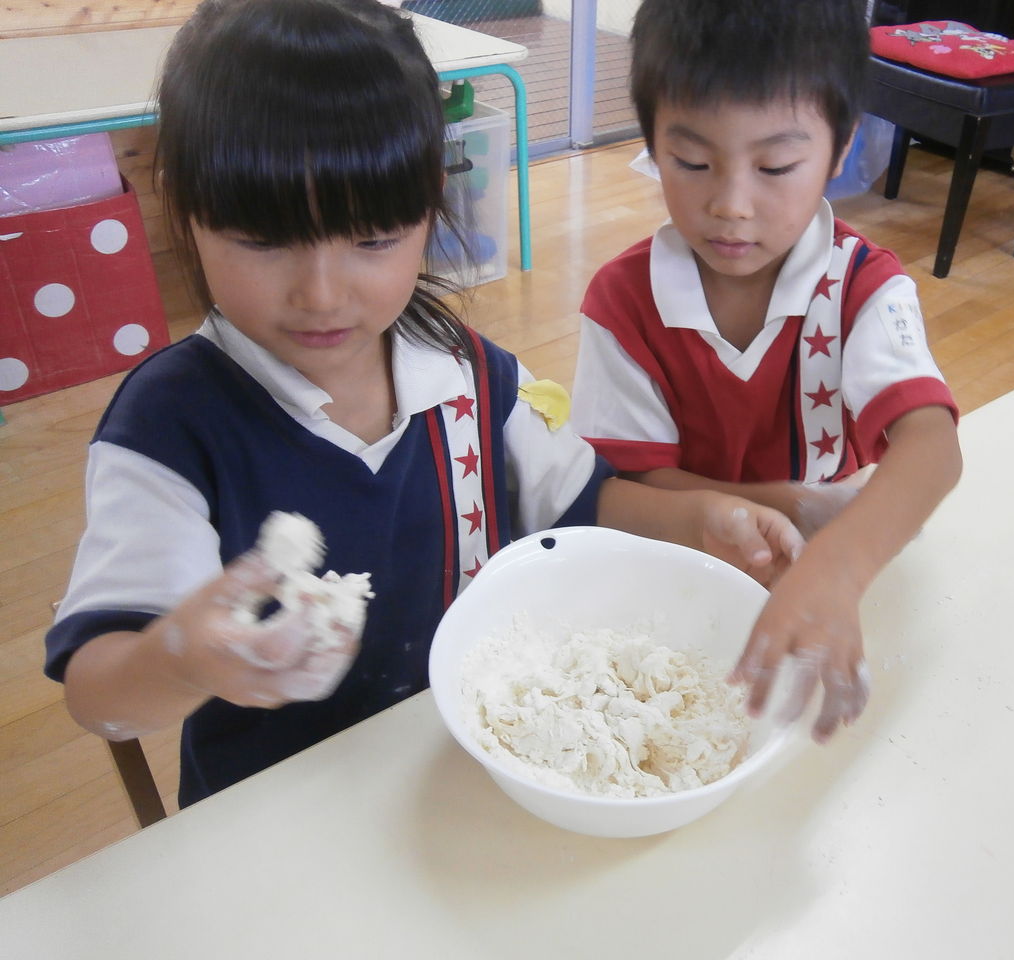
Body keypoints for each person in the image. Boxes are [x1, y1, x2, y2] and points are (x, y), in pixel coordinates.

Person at [44, 0, 803, 807]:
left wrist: (701, 520)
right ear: (185, 213)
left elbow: (587, 503)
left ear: (429, 204)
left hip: (474, 768)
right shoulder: (169, 428)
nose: (322, 293)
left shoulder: (466, 373)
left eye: (372, 239)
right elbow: (98, 694)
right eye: (264, 241)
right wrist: (182, 660)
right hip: (277, 814)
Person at [570, 0, 963, 742]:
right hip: (674, 590)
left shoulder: (860, 288)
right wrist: (787, 504)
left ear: (841, 147)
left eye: (776, 165)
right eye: (691, 162)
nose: (731, 205)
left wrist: (840, 567)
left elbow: (932, 447)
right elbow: (627, 494)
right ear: (652, 141)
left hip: (824, 597)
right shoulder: (623, 303)